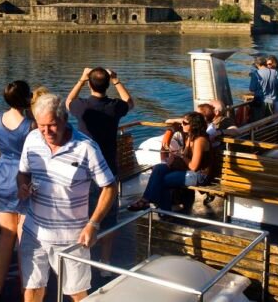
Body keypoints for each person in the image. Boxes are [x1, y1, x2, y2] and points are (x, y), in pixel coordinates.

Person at [17, 94, 116, 302]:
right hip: (33, 233)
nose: (46, 132)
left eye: (51, 125)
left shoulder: (86, 148)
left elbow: (109, 187)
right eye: (41, 126)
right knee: (32, 289)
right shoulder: (33, 138)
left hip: (71, 238)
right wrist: (22, 185)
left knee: (76, 294)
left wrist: (93, 224)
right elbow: (23, 172)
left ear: (64, 119)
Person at [66, 67, 133, 270]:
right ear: (106, 85)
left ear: (89, 84)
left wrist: (80, 78)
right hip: (108, 169)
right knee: (108, 216)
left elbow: (68, 102)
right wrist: (116, 80)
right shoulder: (114, 107)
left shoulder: (83, 108)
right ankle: (105, 262)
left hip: (83, 170)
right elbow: (130, 102)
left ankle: (82, 259)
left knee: (81, 214)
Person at [0, 81, 34, 300]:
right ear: (27, 98)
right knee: (23, 239)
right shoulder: (30, 125)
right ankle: (26, 289)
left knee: (5, 235)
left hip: (2, 178)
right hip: (23, 180)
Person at [128, 112, 212, 212]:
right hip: (188, 171)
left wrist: (181, 155)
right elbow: (184, 156)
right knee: (159, 168)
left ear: (193, 125)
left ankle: (163, 210)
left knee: (163, 180)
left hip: (199, 176)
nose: (182, 124)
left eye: (185, 123)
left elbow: (194, 166)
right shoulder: (191, 136)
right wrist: (175, 156)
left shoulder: (200, 140)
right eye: (182, 122)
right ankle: (146, 200)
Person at [249, 56, 278, 121]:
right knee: (269, 122)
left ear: (257, 64)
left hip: (259, 102)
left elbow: (252, 88)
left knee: (258, 122)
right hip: (271, 102)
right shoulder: (275, 72)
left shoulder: (256, 74)